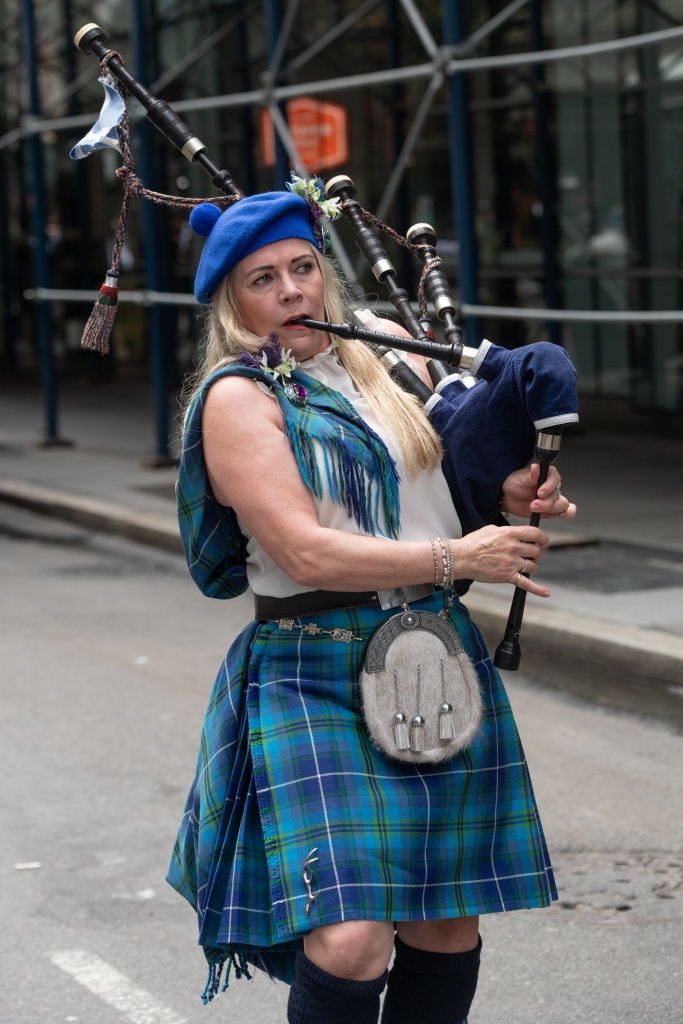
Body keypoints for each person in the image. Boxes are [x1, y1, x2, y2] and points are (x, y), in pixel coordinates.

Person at [167, 185, 577, 1024]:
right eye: (262, 279)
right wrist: (456, 556)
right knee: (350, 934)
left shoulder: (390, 357)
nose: (290, 290)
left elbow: (447, 480)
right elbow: (301, 549)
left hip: (431, 647)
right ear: (231, 304)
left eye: (302, 267)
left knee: (443, 923)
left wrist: (509, 492)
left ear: (325, 273)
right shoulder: (239, 399)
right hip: (310, 659)